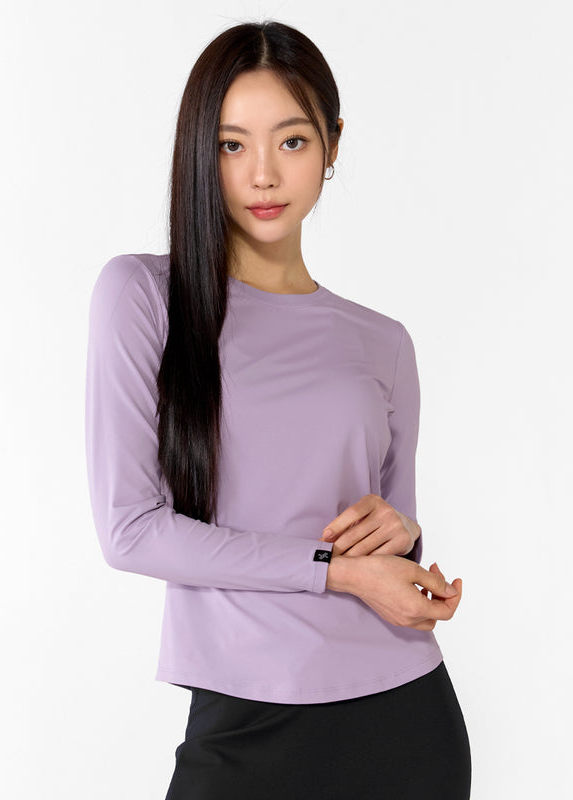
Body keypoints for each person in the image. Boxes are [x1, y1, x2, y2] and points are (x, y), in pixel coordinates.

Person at [84, 19, 471, 800]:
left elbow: (391, 532)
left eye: (291, 141)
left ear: (333, 144)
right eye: (232, 146)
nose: (262, 174)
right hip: (241, 721)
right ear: (200, 153)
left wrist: (406, 539)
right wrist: (336, 572)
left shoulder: (384, 343)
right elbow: (130, 530)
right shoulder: (144, 297)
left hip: (402, 718)